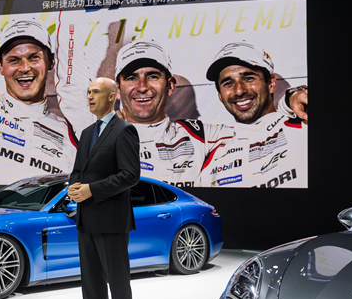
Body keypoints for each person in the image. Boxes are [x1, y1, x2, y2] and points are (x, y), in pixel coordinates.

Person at [68, 77, 140, 299]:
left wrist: (92, 190)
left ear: (112, 96)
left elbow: (130, 175)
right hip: (86, 218)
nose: (90, 96)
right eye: (88, 92)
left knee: (118, 284)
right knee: (91, 282)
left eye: (96, 92)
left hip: (111, 221)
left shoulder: (124, 130)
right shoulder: (87, 133)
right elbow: (78, 170)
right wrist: (74, 187)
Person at [0, 18, 79, 185]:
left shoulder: (68, 132)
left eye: (33, 58)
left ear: (51, 61)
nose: (25, 68)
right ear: (0, 66)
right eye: (14, 60)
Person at [114, 39, 235, 188]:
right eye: (132, 78)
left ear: (170, 86)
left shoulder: (202, 136)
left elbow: (253, 130)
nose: (142, 87)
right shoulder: (97, 140)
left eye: (152, 76)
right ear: (117, 90)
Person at [199, 41, 308, 188]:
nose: (239, 91)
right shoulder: (213, 161)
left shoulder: (304, 122)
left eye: (248, 78)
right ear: (220, 96)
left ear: (271, 84)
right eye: (228, 83)